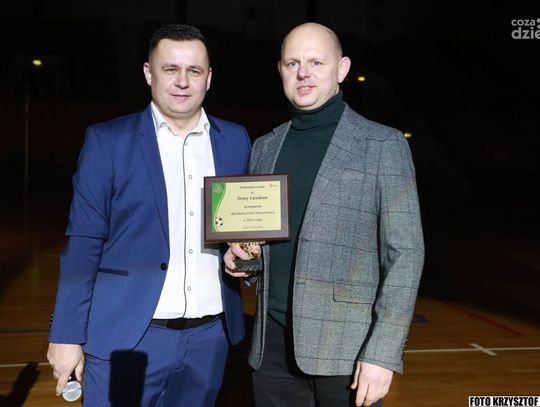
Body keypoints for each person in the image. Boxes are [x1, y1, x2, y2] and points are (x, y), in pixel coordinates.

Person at [47, 24, 251, 406]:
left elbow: (243, 229)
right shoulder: (108, 141)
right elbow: (83, 244)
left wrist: (246, 258)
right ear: (148, 73)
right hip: (126, 336)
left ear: (209, 77)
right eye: (170, 69)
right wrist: (66, 334)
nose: (182, 81)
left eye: (194, 71)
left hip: (209, 340)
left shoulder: (236, 140)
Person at [225, 22, 424, 407]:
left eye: (316, 62)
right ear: (280, 70)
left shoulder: (383, 145)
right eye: (293, 63)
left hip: (347, 352)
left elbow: (406, 254)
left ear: (342, 69)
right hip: (271, 348)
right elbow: (265, 245)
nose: (303, 72)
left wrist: (382, 354)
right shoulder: (265, 147)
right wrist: (245, 260)